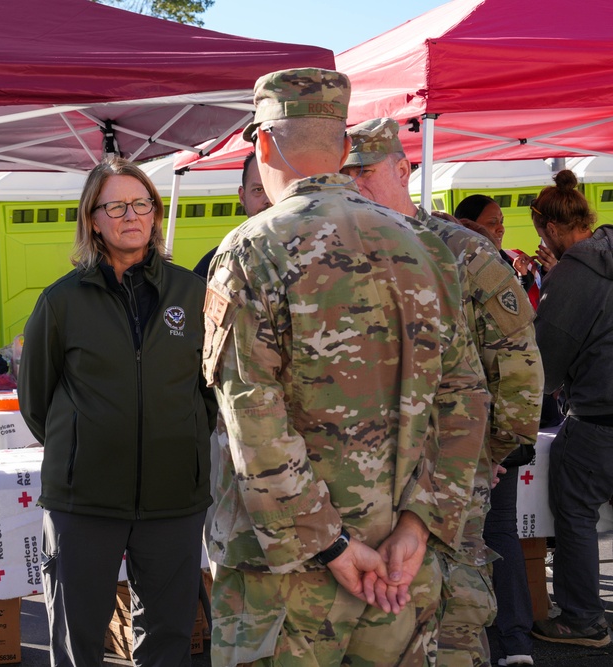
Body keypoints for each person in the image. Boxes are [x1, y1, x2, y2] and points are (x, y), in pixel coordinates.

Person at [202, 68, 489, 665]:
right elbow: (463, 399)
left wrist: (329, 545)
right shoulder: (426, 245)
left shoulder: (252, 247)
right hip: (401, 564)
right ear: (340, 146)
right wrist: (418, 526)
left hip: (289, 582)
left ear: (262, 143)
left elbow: (252, 414)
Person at [342, 117, 543, 667]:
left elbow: (520, 366)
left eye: (366, 174)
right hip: (369, 478)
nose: (355, 186)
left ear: (404, 170)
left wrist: (489, 453)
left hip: (452, 472)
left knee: (453, 616)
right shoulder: (342, 254)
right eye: (345, 176)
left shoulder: (462, 251)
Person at [18, 156, 216, 667]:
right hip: (84, 501)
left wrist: (182, 441)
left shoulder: (192, 294)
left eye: (142, 203)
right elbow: (36, 399)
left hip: (174, 498)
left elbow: (210, 391)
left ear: (154, 212)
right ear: (93, 219)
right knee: (77, 637)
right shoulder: (61, 302)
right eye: (117, 206)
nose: (132, 215)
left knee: (170, 636)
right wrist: (85, 445)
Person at [530, 169, 613, 648]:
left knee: (576, 512)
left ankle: (583, 618)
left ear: (551, 229)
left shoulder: (576, 272)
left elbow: (546, 362)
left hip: (599, 416)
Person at [454, 194, 543, 308]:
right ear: (468, 225)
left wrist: (548, 271)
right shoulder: (460, 268)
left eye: (501, 221)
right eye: (492, 222)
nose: (501, 229)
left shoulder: (511, 260)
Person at [192, 151, 271, 279]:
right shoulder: (215, 264)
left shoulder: (310, 254)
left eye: (274, 189)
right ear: (242, 196)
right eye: (258, 190)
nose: (268, 199)